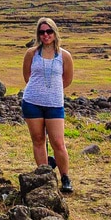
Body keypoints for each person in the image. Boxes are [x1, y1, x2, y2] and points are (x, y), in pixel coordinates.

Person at [22, 17, 74, 193]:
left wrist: (51, 91)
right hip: (32, 103)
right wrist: (39, 90)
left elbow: (67, 80)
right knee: (38, 140)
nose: (45, 35)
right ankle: (45, 177)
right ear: (38, 34)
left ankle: (65, 176)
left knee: (58, 142)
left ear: (54, 32)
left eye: (49, 31)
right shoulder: (31, 53)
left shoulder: (64, 56)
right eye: (42, 32)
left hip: (54, 104)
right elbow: (27, 77)